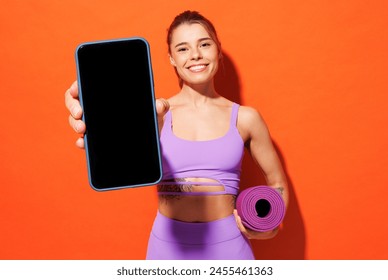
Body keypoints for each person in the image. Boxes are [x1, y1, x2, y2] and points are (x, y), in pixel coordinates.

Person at [65, 10, 288, 260]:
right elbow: (116, 151)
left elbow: (277, 183)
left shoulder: (246, 118)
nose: (195, 55)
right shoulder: (155, 114)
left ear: (218, 49)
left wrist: (270, 228)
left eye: (204, 44)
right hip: (167, 248)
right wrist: (93, 112)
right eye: (182, 49)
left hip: (229, 248)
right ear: (171, 58)